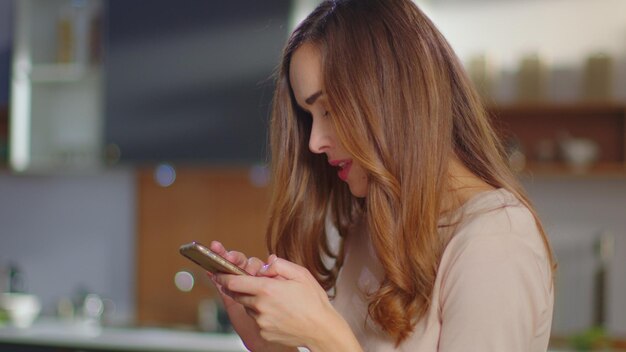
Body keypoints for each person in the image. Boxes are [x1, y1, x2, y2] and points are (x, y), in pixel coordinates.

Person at [209, 0, 556, 351]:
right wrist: (270, 345)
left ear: (393, 96)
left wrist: (326, 337)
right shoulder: (372, 225)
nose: (314, 142)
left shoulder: (495, 242)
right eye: (309, 115)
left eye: (329, 109)